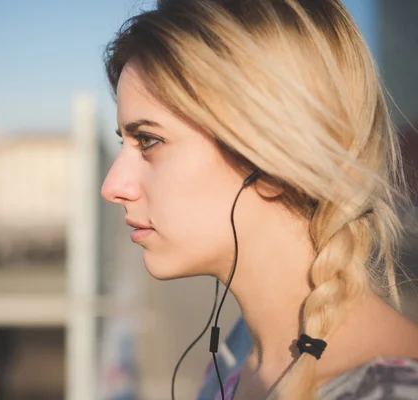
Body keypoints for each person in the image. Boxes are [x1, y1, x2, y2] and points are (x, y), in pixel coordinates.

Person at [100, 0, 418, 399]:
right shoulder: (238, 354)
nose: (112, 186)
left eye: (149, 141)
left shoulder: (393, 391)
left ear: (270, 157)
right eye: (123, 143)